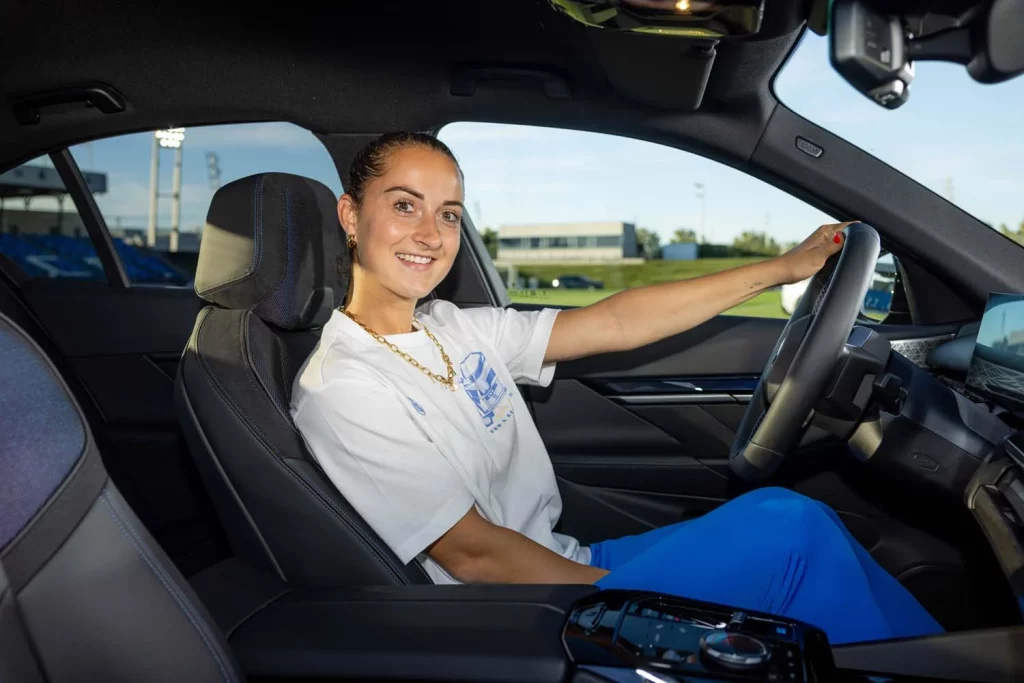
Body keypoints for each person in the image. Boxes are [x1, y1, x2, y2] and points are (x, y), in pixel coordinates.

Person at [291, 132, 943, 645]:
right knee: (792, 541)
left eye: (449, 214)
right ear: (351, 214)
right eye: (404, 205)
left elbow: (615, 321)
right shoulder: (342, 384)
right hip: (520, 611)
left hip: (563, 558)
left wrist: (780, 269)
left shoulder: (451, 326)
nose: (431, 235)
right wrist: (631, 602)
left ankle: (928, 660)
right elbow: (474, 554)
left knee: (793, 515)